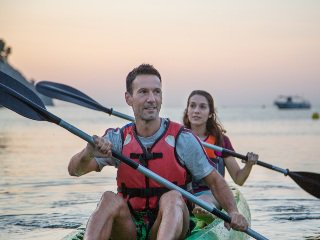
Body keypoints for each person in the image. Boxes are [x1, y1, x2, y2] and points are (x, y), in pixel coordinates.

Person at [68, 64, 248, 240]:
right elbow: (75, 170)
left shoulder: (182, 139)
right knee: (108, 198)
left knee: (172, 197)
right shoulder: (117, 138)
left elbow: (215, 181)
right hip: (130, 226)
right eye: (143, 92)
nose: (151, 98)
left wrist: (233, 211)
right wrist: (88, 152)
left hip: (171, 223)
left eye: (157, 92)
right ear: (128, 98)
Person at [183, 90, 258, 222]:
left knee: (203, 200)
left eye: (202, 107)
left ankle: (207, 214)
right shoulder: (179, 138)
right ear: (187, 110)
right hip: (184, 194)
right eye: (192, 106)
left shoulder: (220, 141)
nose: (196, 111)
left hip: (211, 194)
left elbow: (238, 179)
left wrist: (249, 165)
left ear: (210, 113)